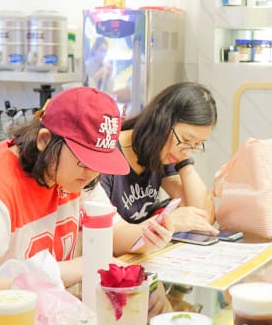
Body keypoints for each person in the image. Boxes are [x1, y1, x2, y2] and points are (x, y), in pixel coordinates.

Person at [0, 86, 173, 325]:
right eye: (84, 161)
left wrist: (148, 234)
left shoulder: (74, 176)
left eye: (99, 163)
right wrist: (70, 269)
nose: (91, 173)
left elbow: (113, 231)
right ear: (44, 140)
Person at [85, 81, 219, 235]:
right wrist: (166, 223)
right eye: (186, 139)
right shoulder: (108, 154)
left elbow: (203, 217)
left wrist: (185, 163)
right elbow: (103, 233)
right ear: (163, 121)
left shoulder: (161, 155)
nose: (188, 152)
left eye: (197, 145)